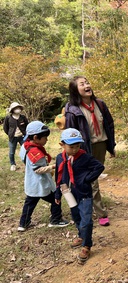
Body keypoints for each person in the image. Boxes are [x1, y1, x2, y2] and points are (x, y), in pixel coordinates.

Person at [64, 76, 116, 226]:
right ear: (75, 90)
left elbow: (109, 125)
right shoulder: (72, 110)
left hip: (100, 145)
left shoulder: (100, 104)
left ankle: (85, 205)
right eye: (82, 84)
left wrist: (111, 146)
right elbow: (70, 132)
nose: (87, 85)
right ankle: (100, 213)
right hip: (83, 148)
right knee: (90, 181)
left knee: (93, 178)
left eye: (87, 82)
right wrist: (71, 151)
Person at [55, 128, 105, 264]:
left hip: (84, 193)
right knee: (76, 216)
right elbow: (59, 176)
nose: (75, 149)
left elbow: (99, 167)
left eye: (77, 146)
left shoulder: (85, 157)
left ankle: (87, 245)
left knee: (86, 220)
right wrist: (57, 192)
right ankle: (81, 235)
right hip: (69, 193)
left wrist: (87, 179)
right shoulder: (60, 158)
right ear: (62, 145)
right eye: (71, 147)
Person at [17, 121, 70, 232]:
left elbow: (24, 160)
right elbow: (38, 170)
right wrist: (53, 166)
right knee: (56, 198)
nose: (47, 139)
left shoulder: (24, 146)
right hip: (41, 183)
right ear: (36, 137)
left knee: (29, 203)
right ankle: (55, 220)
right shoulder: (36, 153)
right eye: (45, 137)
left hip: (31, 183)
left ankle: (23, 224)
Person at [3, 102, 29, 171]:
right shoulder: (8, 118)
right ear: (12, 109)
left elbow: (27, 126)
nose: (17, 109)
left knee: (26, 150)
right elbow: (5, 128)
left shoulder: (23, 117)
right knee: (12, 152)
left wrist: (26, 134)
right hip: (12, 137)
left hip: (22, 137)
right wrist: (10, 134)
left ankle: (27, 164)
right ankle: (13, 164)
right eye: (16, 108)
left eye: (18, 107)